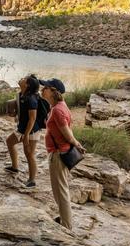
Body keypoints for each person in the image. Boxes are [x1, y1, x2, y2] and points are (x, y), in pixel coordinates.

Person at [40, 78, 86, 230]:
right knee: (58, 190)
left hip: (59, 154)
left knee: (61, 190)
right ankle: (64, 218)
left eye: (45, 87)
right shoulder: (59, 106)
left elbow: (67, 134)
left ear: (53, 91)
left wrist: (77, 143)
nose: (42, 89)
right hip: (59, 152)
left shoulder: (58, 110)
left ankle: (66, 225)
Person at [5, 75, 43, 188]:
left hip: (31, 131)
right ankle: (15, 167)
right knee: (9, 142)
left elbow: (32, 118)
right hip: (22, 128)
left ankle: (32, 181)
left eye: (24, 79)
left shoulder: (31, 98)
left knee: (29, 154)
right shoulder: (22, 94)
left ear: (27, 85)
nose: (21, 79)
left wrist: (26, 135)